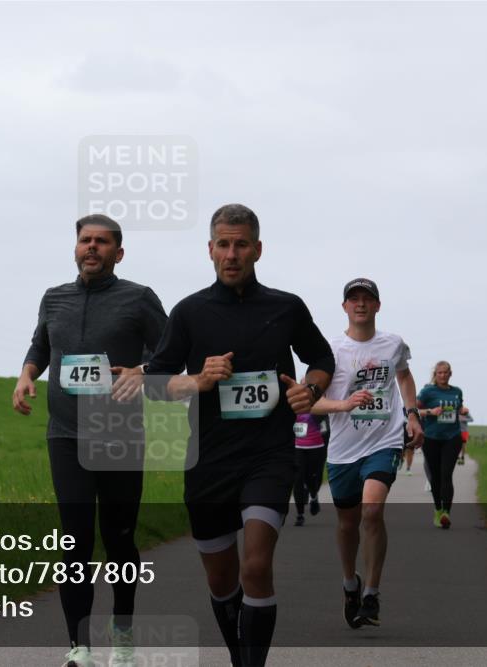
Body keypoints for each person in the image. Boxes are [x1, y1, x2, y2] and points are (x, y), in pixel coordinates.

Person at [145, 204, 334, 667]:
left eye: (241, 244)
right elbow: (156, 383)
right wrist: (198, 381)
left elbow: (323, 359)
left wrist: (309, 390)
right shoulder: (189, 312)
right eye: (224, 244)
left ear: (258, 249)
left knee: (255, 565)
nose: (232, 254)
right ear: (210, 250)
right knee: (222, 580)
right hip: (208, 461)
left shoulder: (286, 307)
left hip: (268, 457)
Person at [12, 214, 168, 667]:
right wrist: (25, 376)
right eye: (85, 241)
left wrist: (142, 371)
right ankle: (79, 645)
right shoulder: (54, 298)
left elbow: (170, 351)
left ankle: (122, 636)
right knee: (74, 540)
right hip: (65, 433)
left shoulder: (138, 299)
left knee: (118, 539)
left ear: (118, 253)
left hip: (120, 434)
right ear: (75, 248)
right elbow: (41, 346)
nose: (92, 248)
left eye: (102, 242)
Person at [311, 278, 423, 628]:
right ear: (344, 307)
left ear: (377, 305)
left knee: (372, 511)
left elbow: (404, 376)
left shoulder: (393, 344)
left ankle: (372, 594)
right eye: (353, 299)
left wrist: (412, 415)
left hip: (383, 441)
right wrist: (343, 403)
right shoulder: (330, 350)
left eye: (367, 299)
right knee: (347, 523)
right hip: (344, 448)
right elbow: (310, 402)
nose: (360, 304)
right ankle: (350, 584)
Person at [417, 361, 467, 529]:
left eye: (446, 372)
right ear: (435, 374)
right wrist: (430, 412)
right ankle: (438, 509)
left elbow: (458, 408)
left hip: (452, 437)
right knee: (435, 477)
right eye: (440, 373)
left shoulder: (457, 392)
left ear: (450, 373)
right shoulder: (427, 392)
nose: (443, 375)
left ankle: (446, 513)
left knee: (446, 475)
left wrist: (462, 410)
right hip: (431, 438)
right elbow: (412, 410)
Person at [291, 413, 327, 527]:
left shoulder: (316, 402)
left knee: (310, 478)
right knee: (297, 479)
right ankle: (300, 514)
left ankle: (314, 497)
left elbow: (323, 415)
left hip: (315, 446)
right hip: (297, 447)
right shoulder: (292, 402)